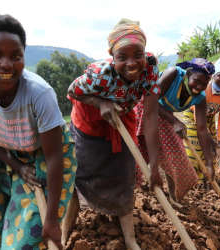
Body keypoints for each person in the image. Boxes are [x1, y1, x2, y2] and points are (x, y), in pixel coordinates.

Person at [0, 14, 76, 249]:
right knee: (7, 228)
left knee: (33, 233)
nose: (6, 64)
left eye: (15, 56)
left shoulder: (39, 93)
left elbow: (55, 157)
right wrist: (17, 167)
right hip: (12, 155)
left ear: (23, 57)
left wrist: (52, 220)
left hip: (50, 157)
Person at [65, 18, 160, 250]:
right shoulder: (99, 73)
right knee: (80, 178)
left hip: (123, 119)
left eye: (137, 54)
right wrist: (99, 102)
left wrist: (154, 166)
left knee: (123, 176)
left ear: (145, 52)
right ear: (112, 56)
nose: (132, 63)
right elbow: (72, 91)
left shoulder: (151, 67)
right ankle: (65, 233)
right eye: (122, 57)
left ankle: (130, 239)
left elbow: (150, 117)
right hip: (90, 124)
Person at [135, 58, 216, 201]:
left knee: (176, 156)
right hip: (145, 108)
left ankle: (174, 197)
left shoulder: (200, 98)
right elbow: (151, 100)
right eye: (197, 81)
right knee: (139, 151)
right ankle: (135, 191)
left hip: (164, 116)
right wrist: (175, 121)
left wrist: (209, 163)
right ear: (188, 73)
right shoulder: (173, 74)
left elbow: (202, 130)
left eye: (204, 84)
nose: (199, 87)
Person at [183, 54, 220, 181]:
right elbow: (198, 121)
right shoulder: (205, 89)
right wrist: (209, 138)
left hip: (209, 119)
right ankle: (193, 180)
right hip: (193, 117)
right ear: (214, 76)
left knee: (213, 150)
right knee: (195, 147)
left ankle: (209, 179)